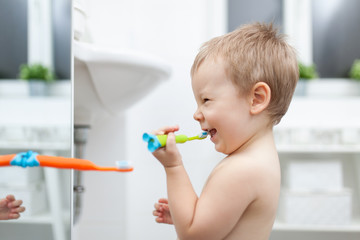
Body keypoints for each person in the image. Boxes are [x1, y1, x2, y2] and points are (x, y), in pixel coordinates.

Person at [150, 22, 298, 240]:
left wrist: (173, 166)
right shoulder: (259, 161)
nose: (196, 114)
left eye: (206, 100)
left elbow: (193, 236)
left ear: (256, 99)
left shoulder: (242, 169)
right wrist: (185, 215)